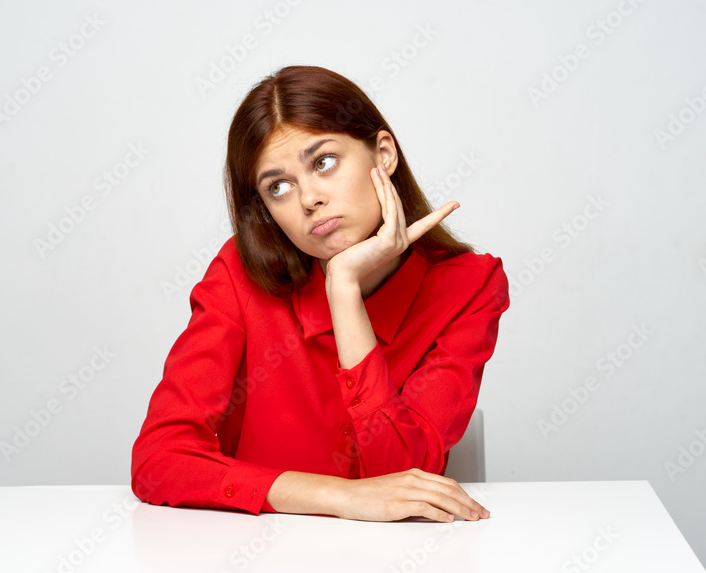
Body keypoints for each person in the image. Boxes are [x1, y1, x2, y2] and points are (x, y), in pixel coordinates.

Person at [131, 65, 509, 523]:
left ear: (383, 154)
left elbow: (399, 476)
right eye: (278, 187)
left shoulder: (470, 286)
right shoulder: (239, 274)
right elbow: (158, 461)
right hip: (255, 549)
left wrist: (343, 289)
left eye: (323, 162)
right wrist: (339, 496)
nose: (308, 198)